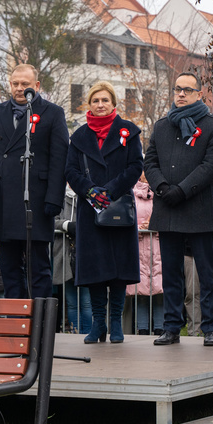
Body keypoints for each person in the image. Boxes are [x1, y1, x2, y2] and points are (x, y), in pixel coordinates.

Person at [144, 72, 213, 347]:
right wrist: (162, 187)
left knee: (207, 273)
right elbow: (150, 160)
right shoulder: (162, 125)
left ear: (199, 94)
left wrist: (182, 190)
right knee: (171, 272)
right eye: (177, 89)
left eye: (187, 90)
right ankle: (171, 327)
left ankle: (211, 327)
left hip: (199, 210)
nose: (181, 94)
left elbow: (211, 165)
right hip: (168, 209)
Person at [0, 64, 69, 299]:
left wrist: (54, 198)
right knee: (9, 269)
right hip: (4, 199)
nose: (19, 88)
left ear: (36, 86)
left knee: (39, 269)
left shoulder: (52, 113)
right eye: (15, 83)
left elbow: (60, 159)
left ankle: (40, 327)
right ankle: (16, 325)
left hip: (36, 201)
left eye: (24, 84)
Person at [65, 81, 143, 343]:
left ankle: (116, 324)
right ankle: (98, 324)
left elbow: (134, 167)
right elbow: (71, 171)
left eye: (105, 100)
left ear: (113, 103)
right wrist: (89, 191)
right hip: (90, 211)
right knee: (96, 270)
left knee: (119, 269)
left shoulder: (128, 132)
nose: (100, 105)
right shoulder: (78, 137)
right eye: (95, 100)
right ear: (89, 104)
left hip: (119, 208)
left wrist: (109, 191)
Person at [127, 173, 164, 336]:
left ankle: (160, 327)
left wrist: (155, 224)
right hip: (139, 245)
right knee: (140, 291)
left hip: (158, 246)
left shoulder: (161, 192)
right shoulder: (131, 194)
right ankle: (142, 328)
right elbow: (128, 217)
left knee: (160, 289)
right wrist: (139, 227)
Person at [53, 186, 92, 334]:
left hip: (86, 253)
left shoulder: (87, 196)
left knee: (86, 302)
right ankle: (75, 334)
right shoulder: (60, 197)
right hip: (64, 253)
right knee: (71, 302)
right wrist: (67, 225)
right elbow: (52, 220)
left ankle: (88, 333)